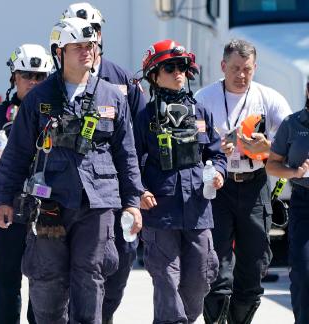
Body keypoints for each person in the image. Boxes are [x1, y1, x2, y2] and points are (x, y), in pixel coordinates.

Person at [0, 17, 144, 323]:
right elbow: (18, 153)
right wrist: (4, 199)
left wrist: (132, 201)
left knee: (91, 276)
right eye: (78, 46)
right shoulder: (38, 98)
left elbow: (126, 153)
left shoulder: (112, 97)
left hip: (98, 204)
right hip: (50, 204)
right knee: (48, 282)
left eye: (90, 45)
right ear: (59, 51)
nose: (86, 51)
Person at [60, 4, 147, 321]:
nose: (89, 38)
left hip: (115, 193)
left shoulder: (120, 80)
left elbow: (139, 140)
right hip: (66, 196)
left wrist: (136, 193)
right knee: (67, 274)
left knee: (119, 263)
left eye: (94, 30)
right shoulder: (54, 85)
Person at [195, 39, 292, 324]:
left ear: (255, 68)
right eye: (235, 68)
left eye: (247, 69)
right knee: (217, 268)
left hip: (254, 184)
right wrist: (212, 149)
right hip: (217, 187)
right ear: (223, 66)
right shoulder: (204, 98)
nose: (241, 75)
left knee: (253, 266)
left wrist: (268, 148)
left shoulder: (268, 97)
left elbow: (293, 144)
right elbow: (188, 146)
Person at [134, 39, 225, 324]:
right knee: (166, 277)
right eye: (170, 67)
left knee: (200, 278)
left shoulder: (201, 113)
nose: (178, 73)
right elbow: (129, 160)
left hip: (198, 210)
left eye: (183, 68)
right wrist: (139, 191)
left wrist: (219, 172)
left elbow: (216, 153)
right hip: (160, 213)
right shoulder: (144, 118)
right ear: (153, 75)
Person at [0, 43, 53, 324]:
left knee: (45, 280)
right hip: (8, 211)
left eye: (41, 77)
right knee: (5, 278)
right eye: (27, 75)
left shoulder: (56, 117)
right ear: (14, 77)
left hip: (49, 212)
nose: (34, 82)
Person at [266, 84, 309, 324]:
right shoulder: (292, 124)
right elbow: (272, 165)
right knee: (303, 275)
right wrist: (294, 173)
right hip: (304, 203)